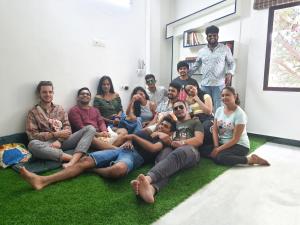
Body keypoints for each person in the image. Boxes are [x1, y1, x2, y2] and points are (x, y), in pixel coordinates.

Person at [20, 116, 176, 190]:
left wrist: (133, 136)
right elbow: (129, 138)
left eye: (166, 126)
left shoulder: (164, 139)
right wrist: (129, 141)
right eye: (162, 124)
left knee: (118, 170)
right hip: (122, 149)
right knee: (85, 160)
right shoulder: (149, 131)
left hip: (134, 157)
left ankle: (91, 170)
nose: (162, 127)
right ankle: (42, 180)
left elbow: (154, 150)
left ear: (171, 131)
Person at [131, 100, 204, 204]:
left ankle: (147, 179)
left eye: (181, 107)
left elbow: (198, 140)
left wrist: (182, 143)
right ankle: (151, 190)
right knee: (163, 160)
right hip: (171, 149)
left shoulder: (195, 122)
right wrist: (160, 133)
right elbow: (153, 130)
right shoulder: (172, 124)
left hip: (190, 150)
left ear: (186, 109)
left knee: (179, 153)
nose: (178, 109)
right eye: (175, 108)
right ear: (173, 112)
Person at [26, 81, 96, 168]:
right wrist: (54, 134)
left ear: (53, 93)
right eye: (44, 92)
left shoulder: (59, 108)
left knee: (90, 128)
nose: (48, 94)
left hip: (64, 141)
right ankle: (72, 159)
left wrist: (59, 140)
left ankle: (73, 160)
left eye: (50, 92)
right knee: (32, 145)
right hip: (46, 144)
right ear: (39, 94)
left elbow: (68, 128)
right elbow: (32, 136)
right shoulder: (33, 112)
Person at [199, 87, 270, 167]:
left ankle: (251, 159)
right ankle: (225, 155)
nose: (224, 97)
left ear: (235, 96)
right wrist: (216, 146)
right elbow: (215, 129)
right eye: (222, 95)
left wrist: (218, 149)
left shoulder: (240, 114)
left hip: (239, 145)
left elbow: (235, 139)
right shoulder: (219, 110)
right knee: (202, 149)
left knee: (220, 158)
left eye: (227, 95)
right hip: (222, 143)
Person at [189, 25, 236, 111]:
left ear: (218, 36)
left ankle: (217, 124)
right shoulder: (201, 51)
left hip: (218, 85)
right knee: (204, 108)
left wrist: (230, 73)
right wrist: (187, 75)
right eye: (210, 36)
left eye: (214, 35)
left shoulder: (225, 49)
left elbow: (231, 63)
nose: (212, 37)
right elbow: (196, 65)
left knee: (219, 108)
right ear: (207, 37)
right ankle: (208, 124)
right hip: (204, 85)